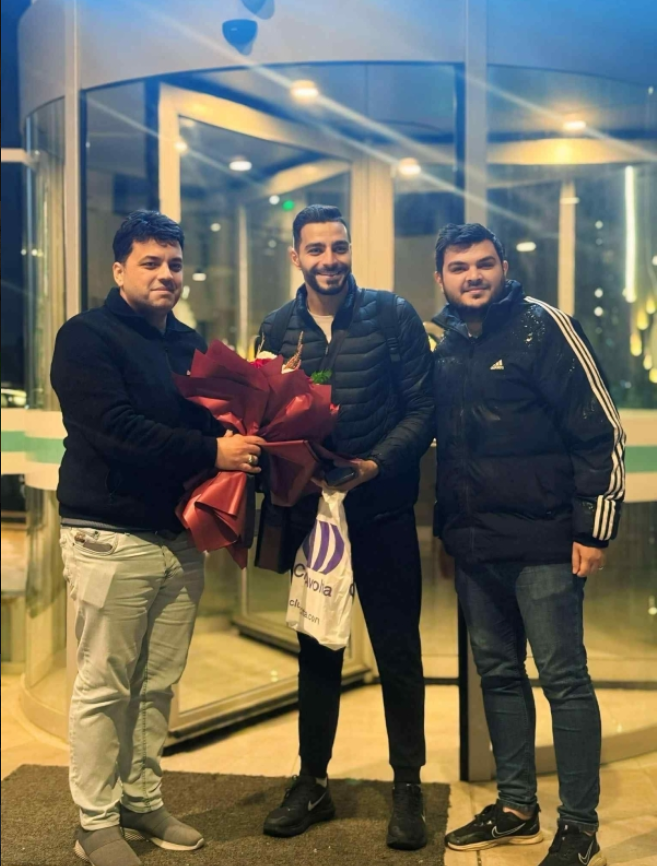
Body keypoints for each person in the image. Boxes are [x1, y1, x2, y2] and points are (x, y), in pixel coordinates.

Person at [51, 210, 264, 866]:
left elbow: (209, 422)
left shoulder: (188, 344)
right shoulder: (86, 336)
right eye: (150, 262)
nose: (166, 274)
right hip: (107, 536)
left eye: (174, 263)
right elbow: (113, 427)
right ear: (119, 270)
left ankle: (141, 799)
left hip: (177, 536)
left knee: (157, 685)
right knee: (104, 686)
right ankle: (95, 822)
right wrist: (213, 450)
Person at [432, 223, 624, 866]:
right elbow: (450, 449)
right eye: (459, 267)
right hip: (476, 546)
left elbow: (601, 431)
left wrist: (594, 528)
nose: (473, 275)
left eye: (484, 263)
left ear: (504, 267)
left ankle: (579, 826)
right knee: (498, 675)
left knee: (564, 680)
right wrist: (448, 532)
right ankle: (516, 809)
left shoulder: (545, 326)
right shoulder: (446, 344)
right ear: (441, 277)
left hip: (546, 544)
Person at [257, 204, 434, 850]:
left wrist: (375, 464)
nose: (329, 260)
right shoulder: (277, 326)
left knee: (397, 652)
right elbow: (265, 418)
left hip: (381, 509)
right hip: (315, 518)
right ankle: (312, 782)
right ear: (295, 256)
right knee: (317, 650)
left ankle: (407, 787)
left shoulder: (391, 315)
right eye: (316, 249)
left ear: (349, 249)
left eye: (338, 247)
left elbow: (423, 409)